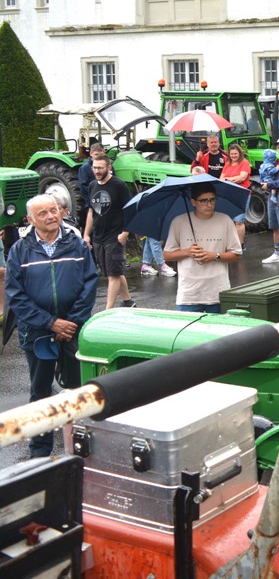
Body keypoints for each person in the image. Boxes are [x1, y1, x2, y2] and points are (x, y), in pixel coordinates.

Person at [6, 194, 98, 458]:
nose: (51, 216)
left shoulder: (77, 245)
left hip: (73, 328)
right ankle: (40, 454)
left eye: (54, 210)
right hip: (37, 333)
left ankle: (84, 446)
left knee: (81, 389)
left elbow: (90, 283)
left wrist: (72, 322)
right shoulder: (19, 250)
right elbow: (16, 296)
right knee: (41, 392)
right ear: (31, 219)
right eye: (43, 213)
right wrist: (50, 323)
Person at [162, 185, 242, 314]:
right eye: (204, 201)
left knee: (221, 333)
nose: (209, 204)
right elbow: (166, 255)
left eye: (212, 200)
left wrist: (215, 256)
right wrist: (188, 252)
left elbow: (236, 254)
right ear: (193, 202)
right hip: (188, 295)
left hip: (218, 292)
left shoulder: (225, 220)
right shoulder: (179, 222)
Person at [82, 154, 135, 309]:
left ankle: (108, 310)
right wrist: (86, 234)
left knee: (112, 275)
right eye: (95, 167)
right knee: (115, 272)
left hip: (115, 236)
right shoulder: (92, 185)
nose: (97, 170)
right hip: (98, 236)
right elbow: (91, 212)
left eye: (100, 167)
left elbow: (131, 211)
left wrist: (125, 233)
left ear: (109, 168)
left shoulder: (119, 185)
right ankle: (128, 301)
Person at [220, 142, 252, 244]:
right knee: (230, 221)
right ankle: (232, 244)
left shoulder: (244, 163)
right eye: (232, 154)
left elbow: (242, 177)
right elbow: (221, 178)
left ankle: (240, 244)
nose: (233, 156)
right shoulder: (227, 163)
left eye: (235, 153)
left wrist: (227, 179)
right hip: (230, 194)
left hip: (242, 194)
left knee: (239, 221)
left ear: (240, 153)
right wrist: (231, 179)